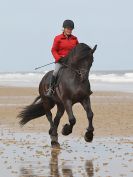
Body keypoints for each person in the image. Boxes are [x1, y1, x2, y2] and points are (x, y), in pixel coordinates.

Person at [46, 20, 79, 96]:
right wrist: (59, 58)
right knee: (55, 72)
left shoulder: (75, 39)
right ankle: (51, 89)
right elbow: (53, 50)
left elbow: (78, 50)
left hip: (71, 62)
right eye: (68, 29)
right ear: (64, 28)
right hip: (61, 61)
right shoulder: (58, 38)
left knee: (80, 72)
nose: (69, 30)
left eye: (71, 29)